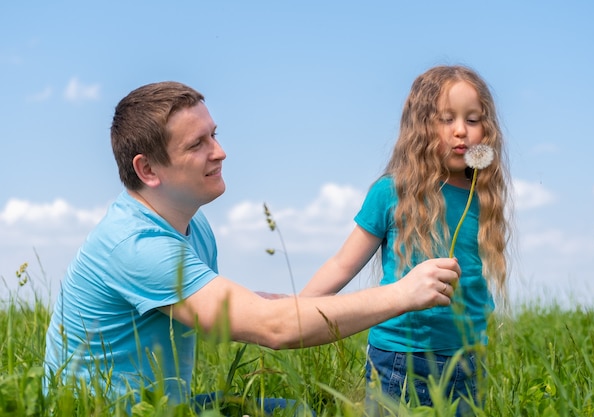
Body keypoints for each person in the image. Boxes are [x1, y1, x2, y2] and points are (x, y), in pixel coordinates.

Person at [43, 81, 461, 415]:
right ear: (147, 169)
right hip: (103, 410)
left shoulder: (193, 225)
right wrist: (402, 294)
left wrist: (285, 303)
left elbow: (222, 309)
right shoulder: (136, 246)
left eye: (214, 135)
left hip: (166, 407)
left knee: (294, 410)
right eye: (197, 145)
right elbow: (272, 329)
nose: (220, 152)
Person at [299, 65, 511, 416]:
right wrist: (296, 310)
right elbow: (342, 264)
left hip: (468, 359)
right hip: (398, 356)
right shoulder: (391, 192)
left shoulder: (483, 197)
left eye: (472, 120)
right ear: (421, 126)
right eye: (446, 118)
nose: (461, 131)